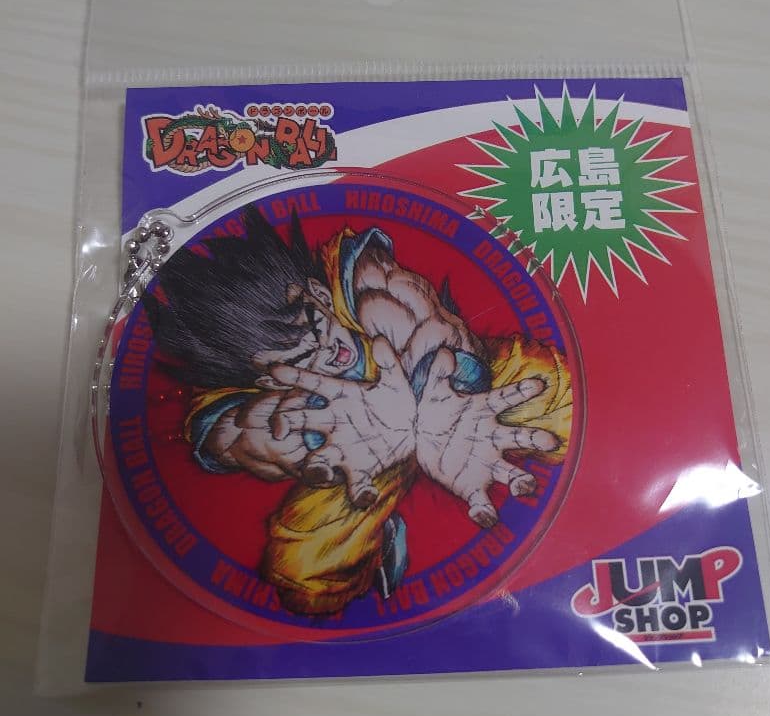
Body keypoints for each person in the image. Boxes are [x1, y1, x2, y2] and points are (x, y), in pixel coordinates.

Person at [144, 205, 572, 616]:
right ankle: (383, 542)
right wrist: (320, 435)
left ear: (317, 295)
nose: (327, 352)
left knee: (555, 395)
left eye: (314, 326)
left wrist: (441, 390)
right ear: (268, 379)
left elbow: (432, 332)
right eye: (299, 359)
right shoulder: (240, 403)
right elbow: (249, 438)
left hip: (460, 407)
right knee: (304, 575)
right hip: (360, 456)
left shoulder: (362, 281)